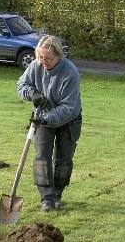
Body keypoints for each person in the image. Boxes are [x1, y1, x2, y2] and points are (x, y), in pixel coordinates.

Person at [17, 35, 82, 212]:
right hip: (42, 116)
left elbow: (67, 108)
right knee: (41, 158)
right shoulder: (35, 65)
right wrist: (32, 93)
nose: (43, 62)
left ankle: (57, 194)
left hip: (69, 120)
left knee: (63, 159)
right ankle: (46, 198)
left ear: (59, 56)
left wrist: (45, 119)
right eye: (40, 57)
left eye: (48, 58)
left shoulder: (70, 73)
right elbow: (21, 85)